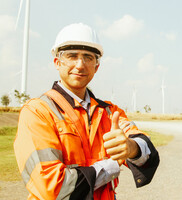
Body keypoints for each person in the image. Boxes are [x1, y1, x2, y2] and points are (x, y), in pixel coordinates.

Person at [14, 23, 160, 200]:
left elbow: (147, 148)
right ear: (57, 63)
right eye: (71, 56)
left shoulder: (109, 112)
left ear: (96, 66)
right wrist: (108, 168)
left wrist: (132, 148)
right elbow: (51, 187)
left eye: (88, 57)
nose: (80, 65)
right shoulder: (37, 111)